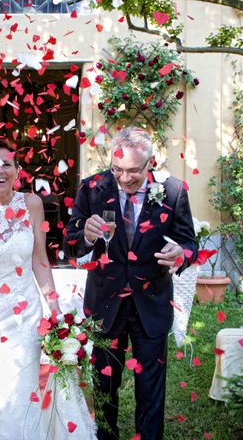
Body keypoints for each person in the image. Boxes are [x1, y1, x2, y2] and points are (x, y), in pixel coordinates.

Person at [0, 139, 95, 439]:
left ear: (17, 172)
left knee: (19, 395)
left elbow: (40, 261)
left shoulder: (32, 205)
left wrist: (54, 310)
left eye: (7, 164)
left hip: (23, 318)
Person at [65, 127, 197, 440]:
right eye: (118, 170)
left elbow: (189, 243)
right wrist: (85, 234)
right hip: (105, 303)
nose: (124, 179)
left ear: (150, 164)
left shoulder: (173, 190)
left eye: (134, 171)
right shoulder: (91, 189)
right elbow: (70, 244)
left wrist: (180, 254)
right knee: (104, 387)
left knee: (151, 390)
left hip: (150, 304)